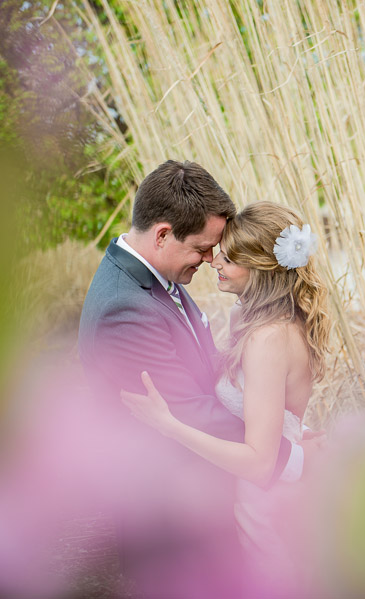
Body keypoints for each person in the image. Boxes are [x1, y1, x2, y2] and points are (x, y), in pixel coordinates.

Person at [78, 161, 309, 596]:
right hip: (170, 526)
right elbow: (194, 411)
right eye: (203, 248)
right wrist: (288, 453)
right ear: (163, 234)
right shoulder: (123, 308)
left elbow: (211, 378)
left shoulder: (156, 277)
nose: (210, 259)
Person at [121, 201, 331, 592]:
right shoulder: (246, 319)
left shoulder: (270, 340)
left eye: (230, 257)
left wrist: (169, 425)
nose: (215, 261)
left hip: (265, 505)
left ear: (261, 267)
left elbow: (257, 462)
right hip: (248, 497)